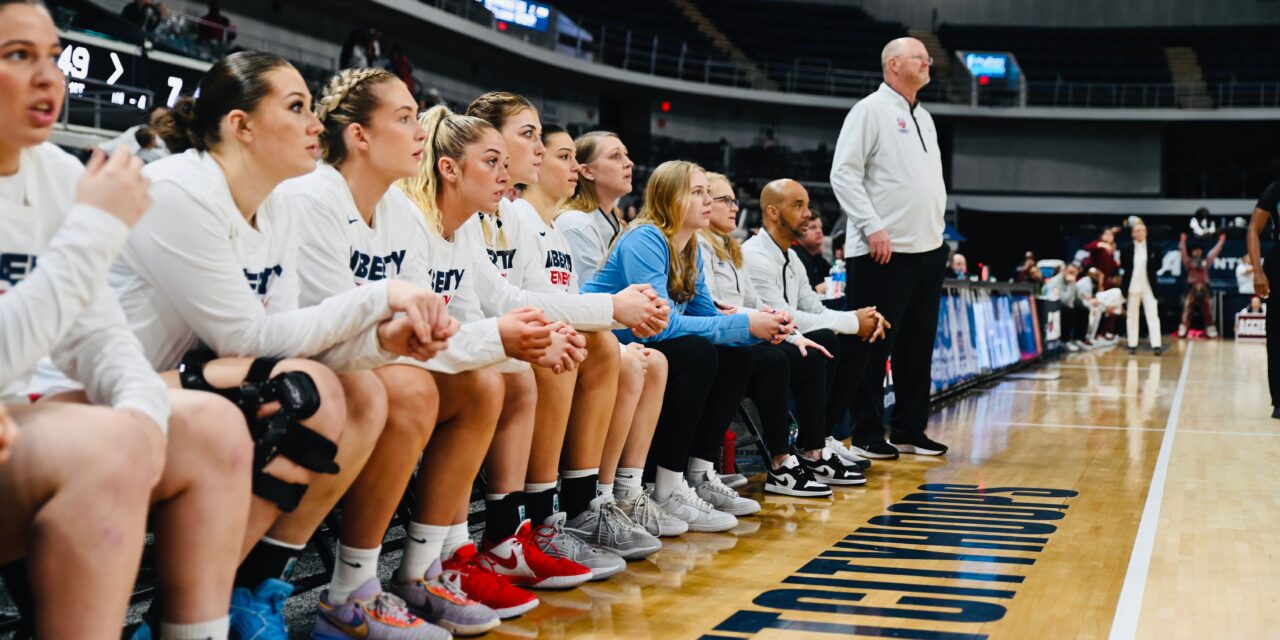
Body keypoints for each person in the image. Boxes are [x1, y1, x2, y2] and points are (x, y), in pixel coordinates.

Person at [284, 68, 594, 635]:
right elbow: (331, 331)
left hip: (368, 361)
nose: (419, 129)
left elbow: (440, 323)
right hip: (310, 367)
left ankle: (428, 568)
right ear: (360, 137)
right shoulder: (314, 199)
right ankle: (343, 587)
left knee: (481, 381)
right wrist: (500, 338)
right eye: (404, 118)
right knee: (415, 385)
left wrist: (508, 339)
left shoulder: (399, 213)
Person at [464, 92, 666, 569]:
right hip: (480, 343)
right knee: (575, 344)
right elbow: (507, 300)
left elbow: (541, 298)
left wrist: (616, 312)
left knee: (599, 346)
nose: (538, 148)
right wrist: (615, 309)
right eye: (529, 135)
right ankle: (543, 515)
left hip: (504, 336)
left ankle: (590, 503)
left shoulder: (526, 219)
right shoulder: (521, 215)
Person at [584, 160, 791, 531]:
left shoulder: (690, 246)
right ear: (669, 198)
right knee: (697, 354)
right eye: (696, 192)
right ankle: (666, 486)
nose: (707, 199)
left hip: (648, 345)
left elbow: (708, 315)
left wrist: (759, 329)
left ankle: (698, 474)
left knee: (736, 357)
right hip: (607, 343)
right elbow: (661, 326)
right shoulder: (645, 238)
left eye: (706, 192)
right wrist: (745, 323)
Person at [523, 124, 679, 537]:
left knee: (645, 358)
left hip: (582, 328)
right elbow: (575, 300)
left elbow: (575, 297)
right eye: (565, 157)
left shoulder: (563, 227)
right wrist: (618, 312)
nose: (628, 163)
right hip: (554, 336)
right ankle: (576, 503)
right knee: (615, 352)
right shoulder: (570, 223)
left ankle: (613, 494)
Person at [829, 36, 949, 459]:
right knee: (872, 345)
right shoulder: (869, 111)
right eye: (920, 56)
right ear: (894, 64)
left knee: (918, 345)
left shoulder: (927, 117)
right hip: (883, 250)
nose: (929, 62)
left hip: (928, 249)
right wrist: (872, 225)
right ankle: (865, 431)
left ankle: (909, 429)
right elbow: (843, 174)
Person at [738, 178, 893, 491]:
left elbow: (812, 307)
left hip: (786, 344)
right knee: (829, 338)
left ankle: (820, 440)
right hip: (760, 345)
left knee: (853, 341)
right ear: (772, 212)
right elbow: (783, 316)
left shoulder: (791, 257)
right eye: (798, 205)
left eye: (807, 205)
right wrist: (852, 321)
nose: (808, 213)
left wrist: (860, 321)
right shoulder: (754, 255)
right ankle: (807, 451)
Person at [558, 130, 631, 284]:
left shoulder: (618, 224)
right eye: (615, 156)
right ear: (587, 171)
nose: (629, 163)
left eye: (626, 154)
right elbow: (590, 295)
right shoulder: (575, 224)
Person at [1245, 177, 1279, 418]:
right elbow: (1254, 229)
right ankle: (1279, 399)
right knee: (1277, 332)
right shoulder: (1276, 188)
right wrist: (1258, 271)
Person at [1121, 222, 1162, 355]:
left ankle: (1156, 344)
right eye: (1137, 231)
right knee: (1132, 315)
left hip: (1148, 286)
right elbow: (1124, 266)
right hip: (1132, 286)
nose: (1140, 233)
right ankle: (1132, 343)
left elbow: (1158, 265)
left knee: (1153, 314)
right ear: (1133, 233)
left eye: (1143, 230)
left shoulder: (1154, 248)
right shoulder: (1126, 249)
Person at [1178, 231, 1226, 338]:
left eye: (1199, 250)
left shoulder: (1206, 261)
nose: (1197, 252)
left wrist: (1221, 242)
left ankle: (1210, 327)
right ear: (1192, 252)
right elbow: (1183, 252)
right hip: (1191, 288)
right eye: (1195, 251)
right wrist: (1182, 240)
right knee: (1187, 307)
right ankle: (1183, 327)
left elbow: (1214, 253)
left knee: (1208, 307)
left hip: (1205, 288)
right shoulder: (1188, 262)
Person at [792, 215, 829, 289]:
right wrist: (818, 289)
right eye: (812, 227)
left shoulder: (816, 257)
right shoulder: (795, 255)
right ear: (799, 231)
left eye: (820, 227)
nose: (819, 231)